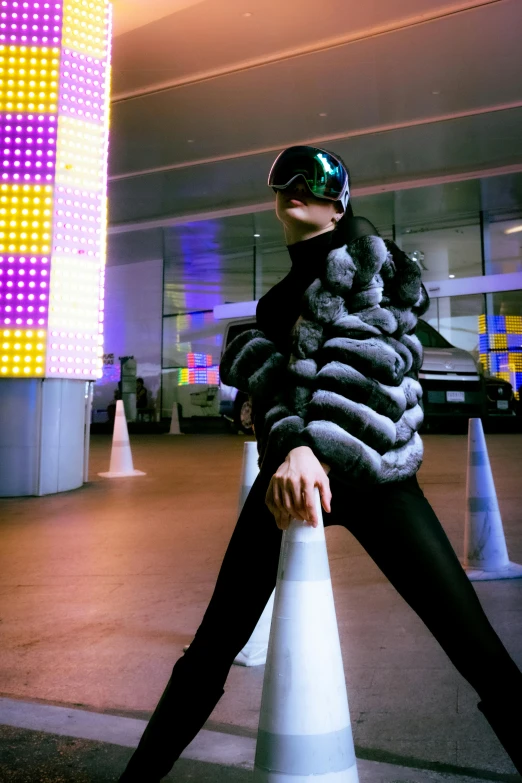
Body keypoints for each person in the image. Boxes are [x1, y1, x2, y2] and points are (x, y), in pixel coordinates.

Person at [118, 146, 522, 781]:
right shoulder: (277, 302)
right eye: (286, 178)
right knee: (212, 648)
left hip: (374, 474)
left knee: (476, 648)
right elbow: (273, 394)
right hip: (293, 477)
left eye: (319, 178)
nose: (298, 187)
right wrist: (289, 443)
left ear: (341, 201)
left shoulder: (371, 260)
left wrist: (309, 443)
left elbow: (367, 364)